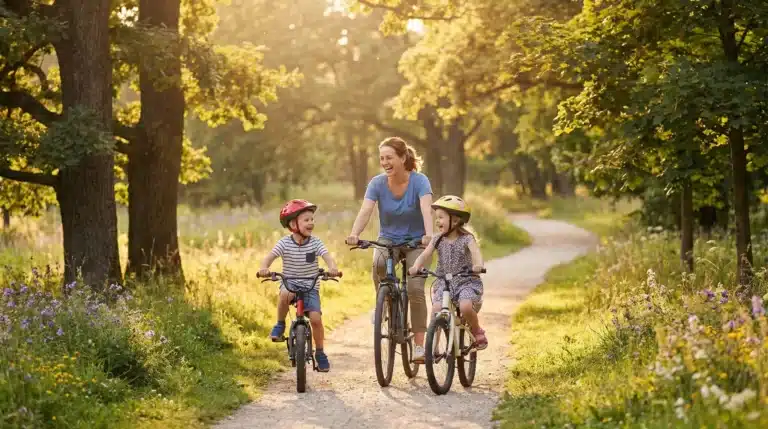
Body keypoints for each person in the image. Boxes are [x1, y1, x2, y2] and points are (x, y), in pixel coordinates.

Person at [346, 136, 434, 363]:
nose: (385, 162)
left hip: (416, 241)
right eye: (382, 158)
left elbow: (427, 209)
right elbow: (366, 210)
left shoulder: (420, 181)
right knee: (378, 264)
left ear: (403, 158)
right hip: (388, 239)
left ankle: (418, 346)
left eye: (389, 157)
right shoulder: (377, 183)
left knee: (414, 288)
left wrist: (429, 235)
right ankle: (384, 304)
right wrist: (355, 234)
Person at [259, 199, 340, 372]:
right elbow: (269, 257)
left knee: (316, 320)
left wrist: (332, 268)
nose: (311, 223)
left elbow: (327, 256)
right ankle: (280, 324)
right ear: (293, 224)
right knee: (284, 295)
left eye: (312, 219)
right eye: (306, 220)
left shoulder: (316, 242)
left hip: (310, 285)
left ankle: (320, 352)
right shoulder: (284, 243)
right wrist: (264, 268)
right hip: (291, 282)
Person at [408, 195, 488, 349]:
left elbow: (476, 254)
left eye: (441, 217)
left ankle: (477, 330)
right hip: (444, 283)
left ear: (455, 220)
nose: (437, 221)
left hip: (466, 281)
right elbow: (425, 254)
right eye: (436, 218)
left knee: (465, 306)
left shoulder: (467, 239)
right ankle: (433, 348)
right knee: (436, 309)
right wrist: (416, 266)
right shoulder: (437, 239)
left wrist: (478, 265)